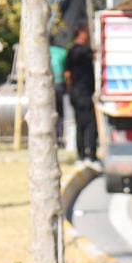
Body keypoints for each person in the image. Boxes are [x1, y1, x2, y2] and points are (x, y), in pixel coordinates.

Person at [66, 26, 98, 162]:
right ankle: (90, 154)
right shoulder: (81, 51)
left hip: (76, 93)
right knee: (90, 124)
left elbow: (67, 74)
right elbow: (94, 54)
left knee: (80, 124)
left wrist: (70, 90)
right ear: (80, 34)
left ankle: (82, 155)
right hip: (82, 93)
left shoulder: (71, 52)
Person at [50, 37, 69, 148]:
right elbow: (67, 72)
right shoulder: (62, 52)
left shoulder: (41, 51)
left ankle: (50, 138)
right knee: (59, 113)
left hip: (46, 86)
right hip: (59, 85)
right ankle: (59, 138)